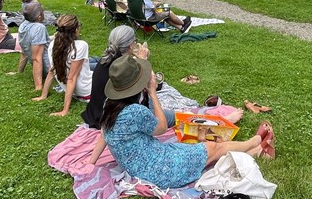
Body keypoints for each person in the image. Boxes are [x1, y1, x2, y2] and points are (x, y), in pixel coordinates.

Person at [87, 55, 274, 188]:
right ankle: (255, 141)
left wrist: (91, 161)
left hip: (144, 161)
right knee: (211, 148)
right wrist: (152, 92)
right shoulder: (134, 112)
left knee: (203, 148)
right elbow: (160, 128)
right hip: (158, 170)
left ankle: (256, 152)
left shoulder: (109, 105)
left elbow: (104, 132)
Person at [33, 14, 97, 116]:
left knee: (96, 62)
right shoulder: (81, 46)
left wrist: (43, 95)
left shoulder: (53, 45)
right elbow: (71, 78)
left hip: (77, 89)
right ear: (76, 30)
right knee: (107, 67)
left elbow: (51, 71)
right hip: (87, 91)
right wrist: (65, 110)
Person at [17, 1, 51, 91]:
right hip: (49, 70)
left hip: (48, 67)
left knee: (93, 61)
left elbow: (24, 51)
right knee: (90, 64)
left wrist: (19, 71)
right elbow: (36, 58)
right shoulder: (39, 28)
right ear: (39, 17)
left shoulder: (23, 26)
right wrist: (38, 86)